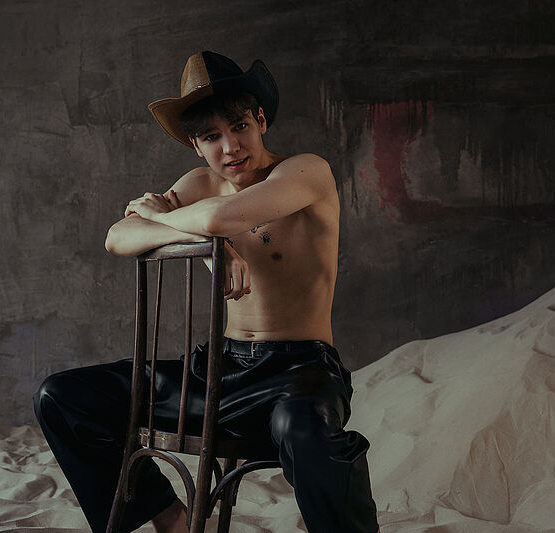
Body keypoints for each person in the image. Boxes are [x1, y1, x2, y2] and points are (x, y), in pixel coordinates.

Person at [33, 50, 379, 533]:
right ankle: (169, 517)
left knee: (303, 430)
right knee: (62, 396)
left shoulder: (305, 172)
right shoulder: (200, 183)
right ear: (196, 145)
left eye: (239, 127)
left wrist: (168, 220)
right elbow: (117, 237)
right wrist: (213, 249)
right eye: (212, 137)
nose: (231, 147)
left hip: (299, 371)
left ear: (261, 121)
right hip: (220, 370)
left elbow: (217, 218)